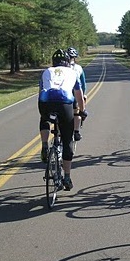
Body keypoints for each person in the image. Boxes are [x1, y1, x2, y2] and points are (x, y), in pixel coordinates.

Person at [38, 49, 87, 191]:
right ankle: (66, 176)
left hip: (45, 102)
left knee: (44, 119)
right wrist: (82, 111)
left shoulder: (46, 71)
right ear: (67, 62)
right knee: (67, 139)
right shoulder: (72, 72)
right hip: (65, 102)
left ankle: (45, 145)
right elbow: (79, 94)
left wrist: (43, 110)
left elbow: (41, 91)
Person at [66, 47, 87, 141]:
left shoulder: (61, 67)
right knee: (77, 112)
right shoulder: (78, 68)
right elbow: (83, 84)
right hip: (74, 94)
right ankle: (76, 132)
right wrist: (83, 95)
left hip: (62, 94)